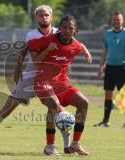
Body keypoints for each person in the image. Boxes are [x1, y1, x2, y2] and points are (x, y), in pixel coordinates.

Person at [0, 5, 72, 155]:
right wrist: (17, 72)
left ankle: (66, 146)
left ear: (51, 17)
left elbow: (69, 49)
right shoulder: (32, 35)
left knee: (59, 110)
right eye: (40, 15)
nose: (44, 18)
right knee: (7, 108)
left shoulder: (60, 33)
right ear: (36, 18)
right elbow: (23, 53)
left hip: (49, 80)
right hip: (31, 78)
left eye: (46, 15)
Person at [28, 15, 92, 156]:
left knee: (84, 102)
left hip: (62, 84)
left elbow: (79, 45)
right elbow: (32, 51)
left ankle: (75, 144)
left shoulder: (75, 45)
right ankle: (50, 146)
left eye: (71, 28)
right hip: (42, 81)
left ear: (75, 31)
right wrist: (48, 50)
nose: (67, 31)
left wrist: (86, 51)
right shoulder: (48, 40)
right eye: (64, 27)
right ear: (59, 28)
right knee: (54, 104)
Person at [94, 11, 125, 129]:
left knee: (123, 95)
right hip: (109, 68)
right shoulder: (108, 34)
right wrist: (101, 66)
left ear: (122, 21)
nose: (116, 21)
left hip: (122, 68)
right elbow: (105, 51)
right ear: (112, 21)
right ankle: (106, 121)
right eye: (114, 19)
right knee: (108, 94)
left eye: (118, 19)